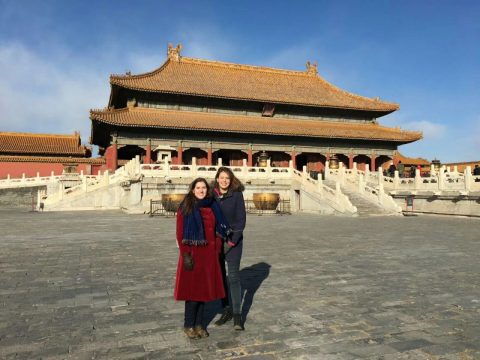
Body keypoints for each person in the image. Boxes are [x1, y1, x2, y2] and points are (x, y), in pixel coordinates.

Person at [174, 178, 230, 339]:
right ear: (192, 190)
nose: (201, 190)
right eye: (198, 188)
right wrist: (185, 254)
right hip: (193, 254)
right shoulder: (186, 207)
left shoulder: (212, 205)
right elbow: (180, 233)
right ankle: (188, 325)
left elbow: (218, 229)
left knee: (204, 293)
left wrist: (217, 248)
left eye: (204, 187)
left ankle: (199, 324)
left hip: (209, 255)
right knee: (192, 293)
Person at [212, 167, 247, 330]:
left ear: (231, 180)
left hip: (234, 242)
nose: (224, 181)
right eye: (222, 178)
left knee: (233, 277)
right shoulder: (211, 195)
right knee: (220, 277)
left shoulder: (237, 195)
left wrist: (232, 241)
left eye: (227, 178)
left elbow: (241, 221)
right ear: (217, 179)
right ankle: (226, 309)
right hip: (216, 242)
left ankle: (237, 315)